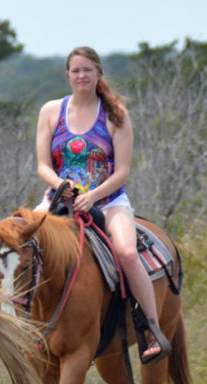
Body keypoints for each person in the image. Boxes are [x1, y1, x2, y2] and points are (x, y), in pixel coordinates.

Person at [34, 45, 170, 363]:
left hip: (108, 201)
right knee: (20, 248)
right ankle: (21, 328)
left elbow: (122, 171)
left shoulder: (115, 114)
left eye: (88, 70)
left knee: (126, 252)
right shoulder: (51, 111)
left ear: (98, 74)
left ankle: (151, 329)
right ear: (67, 75)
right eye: (76, 70)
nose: (82, 75)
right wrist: (60, 186)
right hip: (57, 202)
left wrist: (92, 197)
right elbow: (43, 166)